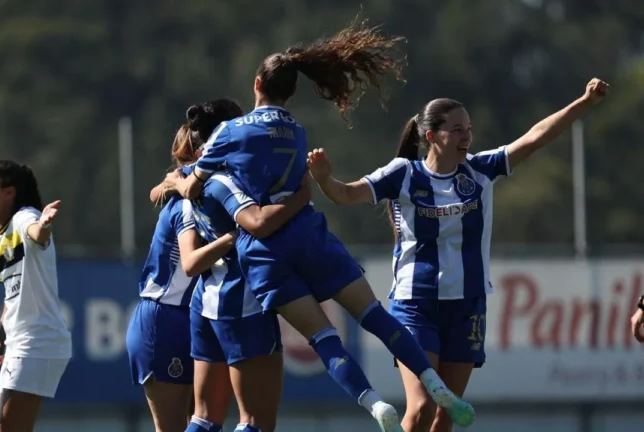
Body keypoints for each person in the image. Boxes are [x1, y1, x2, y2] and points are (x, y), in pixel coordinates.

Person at [175, 15, 474, 432]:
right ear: (293, 91)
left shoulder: (229, 131)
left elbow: (194, 183)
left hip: (264, 254)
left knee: (323, 338)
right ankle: (432, 381)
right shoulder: (296, 131)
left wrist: (175, 180)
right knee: (373, 314)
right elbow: (300, 186)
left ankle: (372, 404)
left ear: (257, 85)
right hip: (309, 234)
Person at [307, 78, 609, 431]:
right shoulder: (403, 174)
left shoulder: (480, 170)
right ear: (431, 136)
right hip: (415, 305)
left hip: (466, 305)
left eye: (468, 129)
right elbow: (345, 194)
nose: (466, 137)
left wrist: (584, 103)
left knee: (445, 416)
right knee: (419, 408)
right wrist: (325, 179)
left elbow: (534, 137)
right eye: (456, 130)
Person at [162, 100, 312, 432]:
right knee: (256, 422)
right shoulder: (227, 180)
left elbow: (163, 188)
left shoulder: (192, 177)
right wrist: (300, 197)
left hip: (207, 298)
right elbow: (258, 222)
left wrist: (172, 181)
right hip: (242, 296)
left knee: (203, 419)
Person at [127, 102, 245, 432]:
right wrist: (234, 237)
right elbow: (191, 262)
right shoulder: (188, 202)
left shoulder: (205, 193)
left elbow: (159, 190)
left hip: (194, 316)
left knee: (206, 422)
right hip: (163, 319)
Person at [0, 160, 72, 432]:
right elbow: (12, 296)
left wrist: (44, 224)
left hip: (38, 341)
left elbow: (36, 233)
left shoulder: (24, 216)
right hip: (18, 342)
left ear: (9, 192)